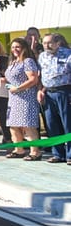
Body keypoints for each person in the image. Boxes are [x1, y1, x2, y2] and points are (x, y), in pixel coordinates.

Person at [0, 37, 42, 160]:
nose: (15, 49)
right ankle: (19, 150)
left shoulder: (27, 61)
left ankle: (35, 152)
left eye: (17, 47)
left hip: (26, 97)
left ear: (24, 47)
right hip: (13, 98)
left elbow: (33, 79)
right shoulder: (14, 62)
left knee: (28, 125)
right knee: (13, 125)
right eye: (13, 47)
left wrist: (18, 88)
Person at [38, 33, 70, 164]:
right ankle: (58, 154)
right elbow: (41, 76)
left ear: (57, 43)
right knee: (52, 124)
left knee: (68, 124)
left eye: (50, 43)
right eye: (44, 43)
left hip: (64, 91)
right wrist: (40, 90)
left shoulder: (68, 54)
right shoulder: (42, 56)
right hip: (48, 93)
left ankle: (70, 155)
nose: (47, 46)